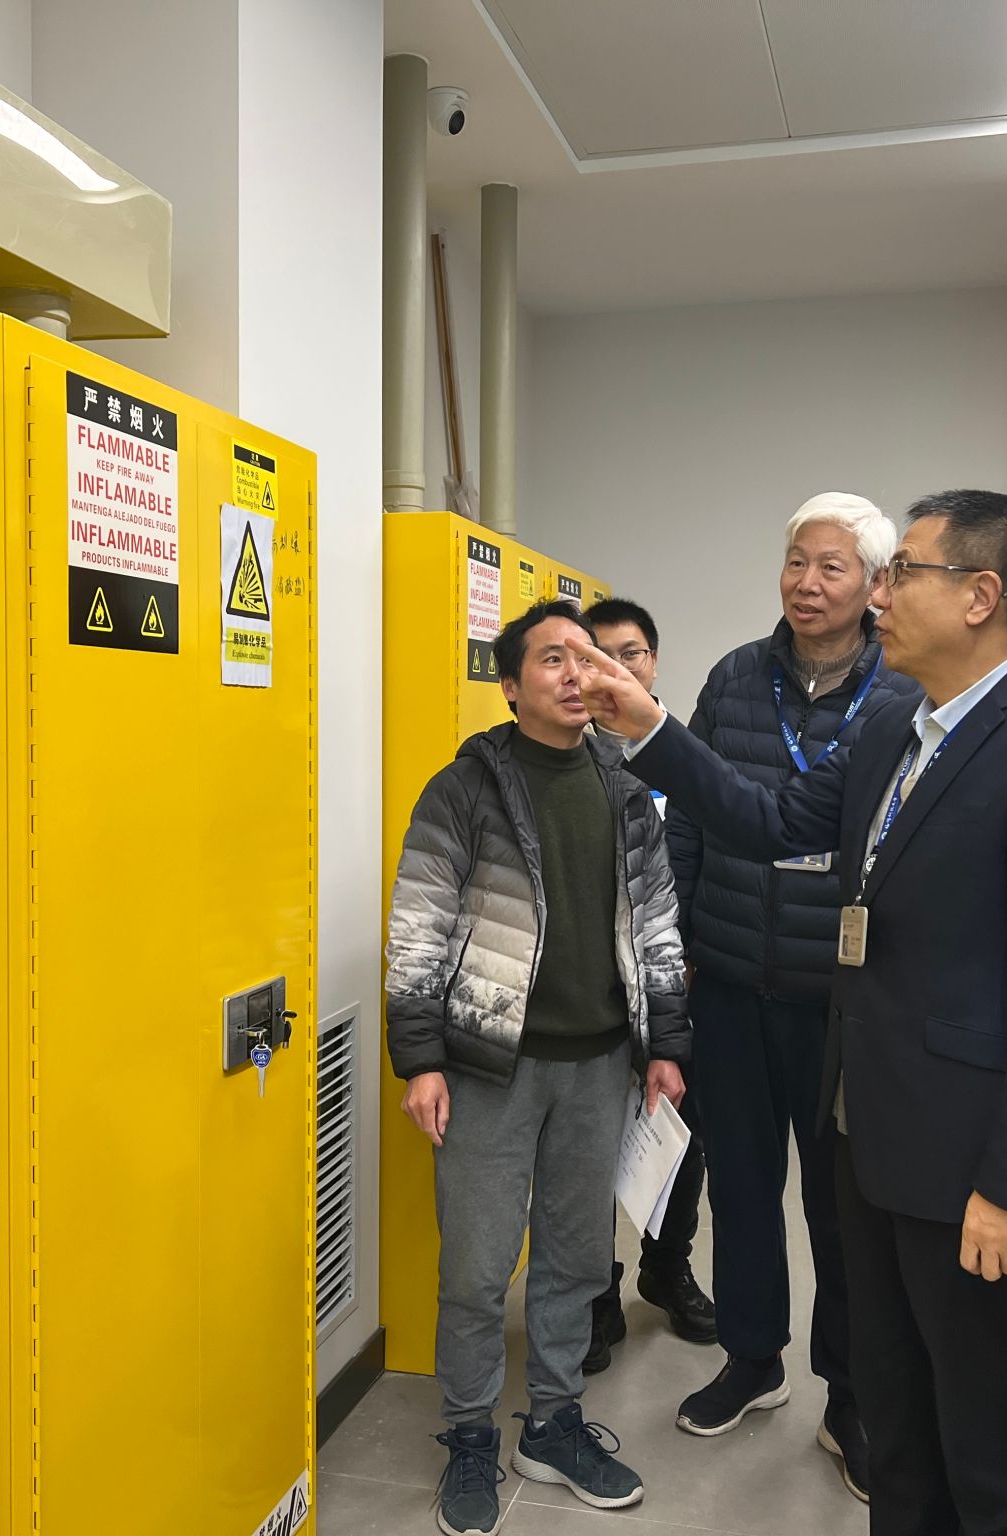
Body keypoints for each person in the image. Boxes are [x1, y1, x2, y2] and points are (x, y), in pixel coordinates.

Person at [571, 490, 1007, 1536]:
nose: (879, 595)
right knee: (900, 1421)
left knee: (988, 1445)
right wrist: (648, 726)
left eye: (901, 572)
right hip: (870, 1137)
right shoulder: (894, 729)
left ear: (980, 595)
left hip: (973, 1168)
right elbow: (770, 817)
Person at [386, 599, 692, 1536]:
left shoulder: (625, 788)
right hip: (488, 1066)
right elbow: (418, 929)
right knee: (478, 1270)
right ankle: (470, 1432)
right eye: (552, 658)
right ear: (510, 684)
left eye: (587, 658)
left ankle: (554, 1425)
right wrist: (420, 1060)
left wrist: (666, 1045)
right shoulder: (464, 789)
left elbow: (658, 923)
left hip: (599, 1066)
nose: (575, 673)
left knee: (574, 1261)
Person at [644, 495, 911, 1501]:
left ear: (874, 586)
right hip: (729, 980)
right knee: (743, 1187)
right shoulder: (732, 678)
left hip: (840, 998)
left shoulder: (900, 696)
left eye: (831, 566)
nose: (806, 582)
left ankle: (849, 1396)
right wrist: (676, 938)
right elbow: (689, 815)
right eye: (796, 561)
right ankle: (752, 1359)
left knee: (841, 1206)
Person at [582, 597, 716, 1367]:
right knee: (589, 1143)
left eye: (628, 652)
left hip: (676, 982)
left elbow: (712, 860)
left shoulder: (684, 755)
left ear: (653, 662)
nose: (614, 667)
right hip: (594, 992)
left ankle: (667, 1269)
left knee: (679, 1135)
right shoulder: (566, 752)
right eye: (596, 654)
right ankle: (596, 1290)